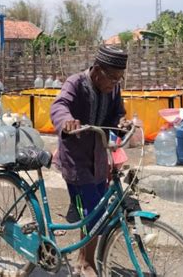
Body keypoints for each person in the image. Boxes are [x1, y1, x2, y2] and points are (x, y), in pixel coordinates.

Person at [50, 45, 130, 277]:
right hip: (75, 158)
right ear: (97, 70)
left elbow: (117, 113)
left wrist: (122, 122)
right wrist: (66, 121)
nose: (114, 83)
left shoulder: (113, 90)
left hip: (98, 156)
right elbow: (59, 105)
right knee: (92, 211)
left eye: (119, 79)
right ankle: (85, 262)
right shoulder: (75, 83)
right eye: (112, 78)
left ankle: (83, 255)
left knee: (98, 208)